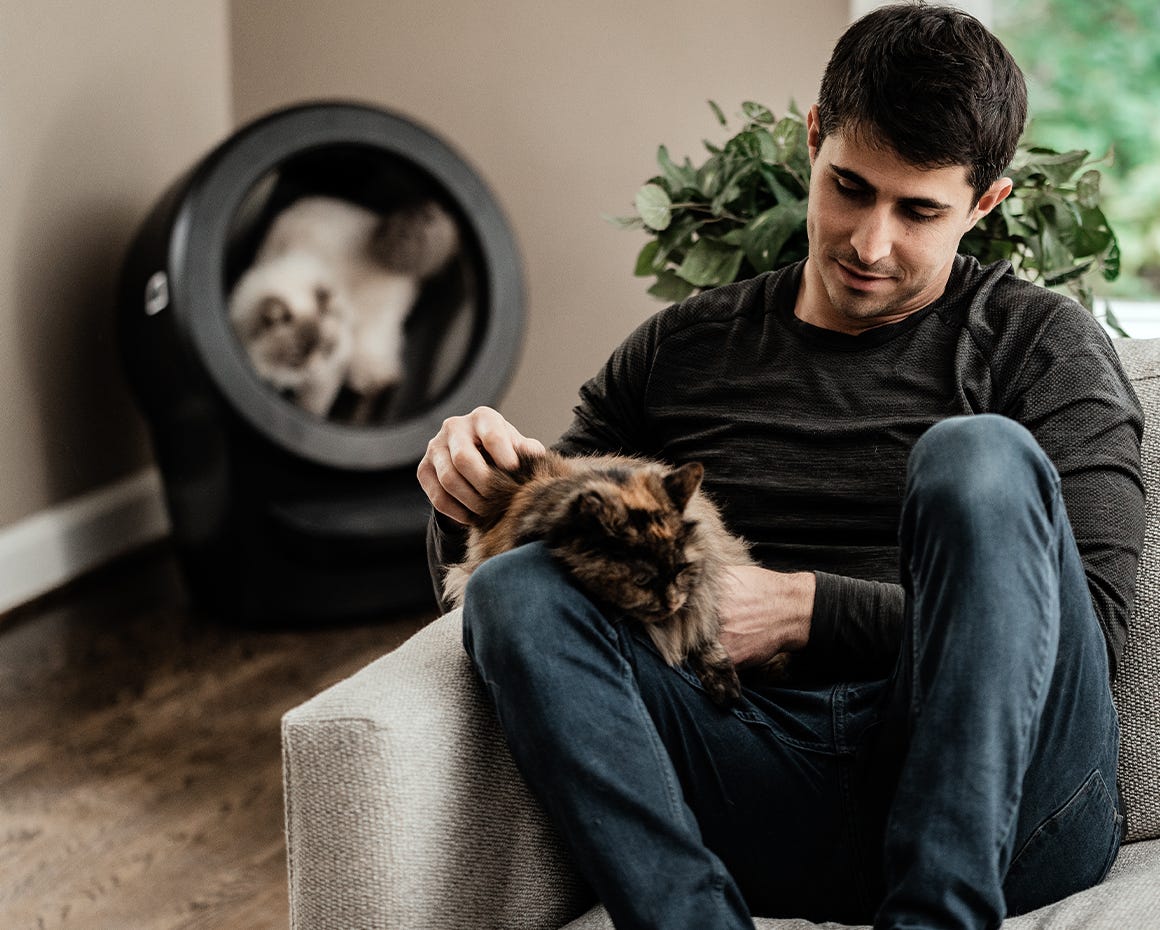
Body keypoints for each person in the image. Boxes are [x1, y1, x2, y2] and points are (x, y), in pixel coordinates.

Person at [416, 4, 1145, 929]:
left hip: (1010, 813)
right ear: (813, 140)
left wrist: (809, 609)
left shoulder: (1041, 347)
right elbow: (534, 596)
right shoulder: (680, 353)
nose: (870, 243)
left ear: (984, 204)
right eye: (850, 187)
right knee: (517, 588)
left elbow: (1090, 633)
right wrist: (471, 492)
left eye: (918, 211)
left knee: (979, 456)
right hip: (747, 776)